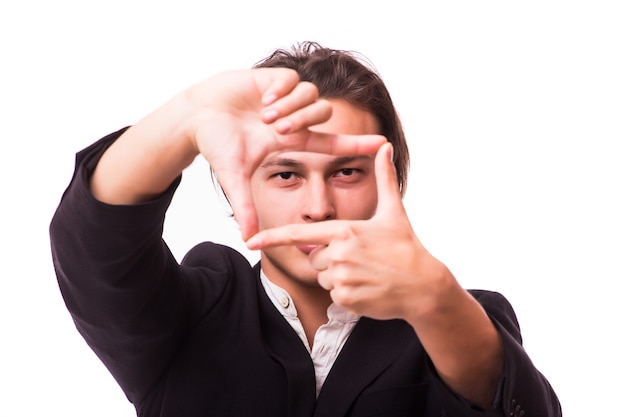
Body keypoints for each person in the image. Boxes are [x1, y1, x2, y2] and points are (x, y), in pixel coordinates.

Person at [50, 41, 561, 416]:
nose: (319, 207)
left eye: (346, 172)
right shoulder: (194, 310)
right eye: (286, 174)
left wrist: (436, 299)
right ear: (237, 187)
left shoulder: (455, 321)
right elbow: (94, 242)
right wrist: (189, 116)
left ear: (392, 181)